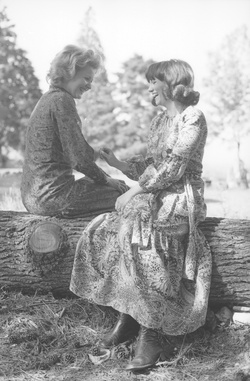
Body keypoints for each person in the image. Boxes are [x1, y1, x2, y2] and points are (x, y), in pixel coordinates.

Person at [70, 59, 212, 371]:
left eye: (153, 81)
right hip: (156, 193)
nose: (148, 87)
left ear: (172, 85)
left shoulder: (193, 119)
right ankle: (129, 318)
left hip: (181, 196)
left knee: (153, 238)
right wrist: (120, 165)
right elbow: (151, 162)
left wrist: (134, 190)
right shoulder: (160, 122)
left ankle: (151, 333)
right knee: (114, 229)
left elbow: (174, 168)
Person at [21, 45, 128, 218]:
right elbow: (78, 158)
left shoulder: (48, 99)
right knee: (126, 193)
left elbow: (69, 150)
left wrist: (95, 153)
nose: (90, 86)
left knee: (111, 184)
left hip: (35, 197)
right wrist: (108, 180)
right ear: (68, 72)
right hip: (54, 198)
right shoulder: (62, 100)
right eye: (87, 78)